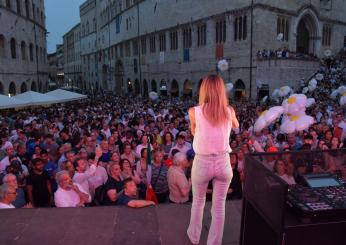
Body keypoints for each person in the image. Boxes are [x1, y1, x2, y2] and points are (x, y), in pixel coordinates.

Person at [187, 74, 239, 245]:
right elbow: (236, 126)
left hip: (202, 162)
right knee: (219, 207)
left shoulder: (194, 111)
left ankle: (194, 238)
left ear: (204, 90)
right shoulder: (229, 111)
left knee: (198, 203)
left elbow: (194, 132)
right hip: (224, 163)